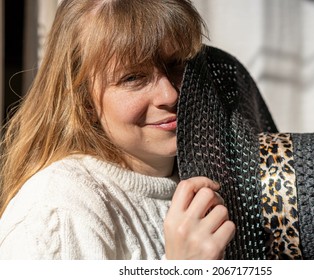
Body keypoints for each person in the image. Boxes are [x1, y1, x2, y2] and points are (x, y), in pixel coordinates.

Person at [0, 0, 236, 259]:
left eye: (177, 64)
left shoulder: (217, 170)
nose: (169, 94)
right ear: (84, 101)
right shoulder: (59, 211)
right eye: (133, 78)